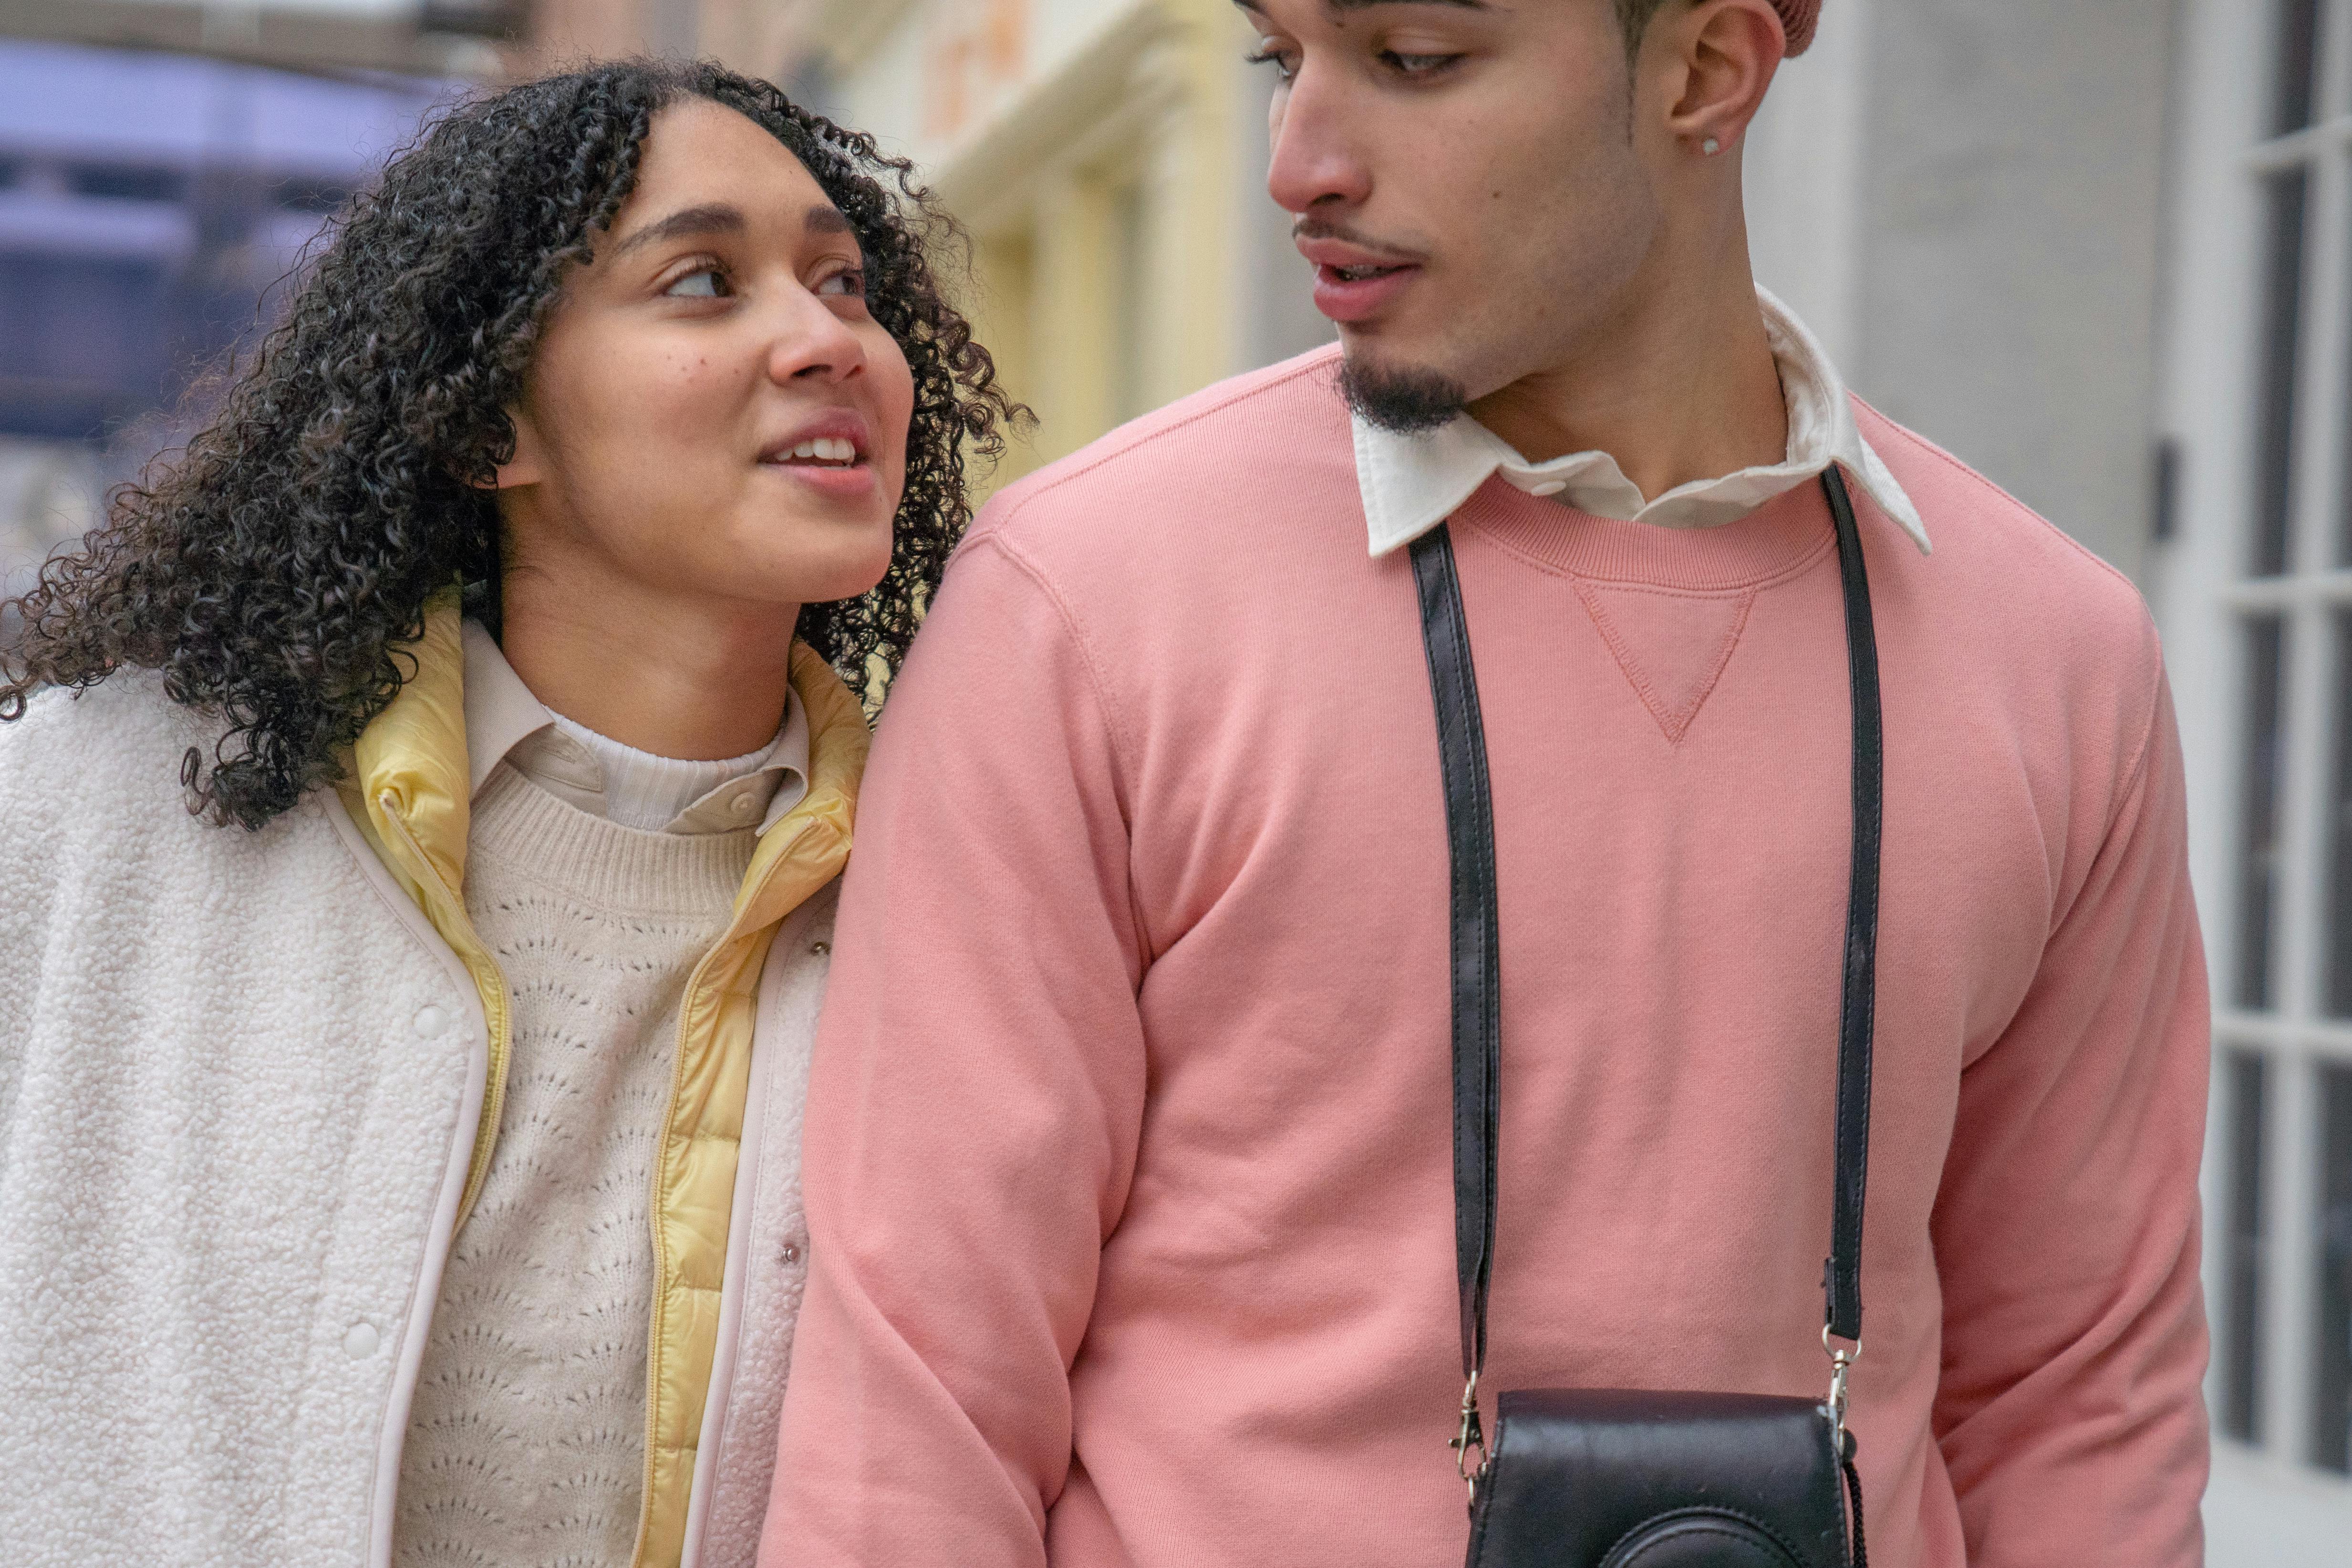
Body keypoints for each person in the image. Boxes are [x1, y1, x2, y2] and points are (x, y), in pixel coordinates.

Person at [762, 1, 2210, 1565]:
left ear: (1705, 68)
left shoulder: (2053, 654)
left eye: (1415, 59)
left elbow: (2081, 1400)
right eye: (1279, 62)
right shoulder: (1086, 601)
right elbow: (914, 1404)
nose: (1298, 164)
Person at [0, 60, 1015, 1568]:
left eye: (846, 281)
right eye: (701, 282)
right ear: (488, 425)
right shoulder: (100, 817)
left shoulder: (979, 884)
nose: (825, 339)